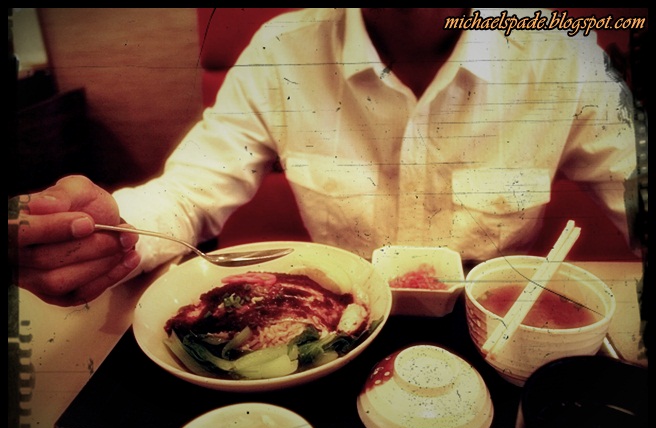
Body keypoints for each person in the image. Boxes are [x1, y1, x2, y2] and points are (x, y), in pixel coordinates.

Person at [8, 8, 640, 307]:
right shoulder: (282, 50)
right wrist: (113, 230)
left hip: (495, 327)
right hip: (333, 323)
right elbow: (189, 191)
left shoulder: (562, 56)